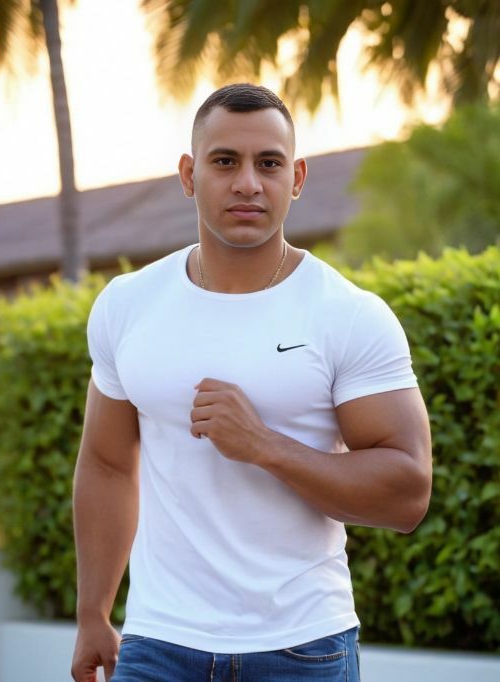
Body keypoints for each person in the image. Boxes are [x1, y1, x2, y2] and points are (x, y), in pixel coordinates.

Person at [71, 83, 432, 682]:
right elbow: (107, 464)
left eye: (268, 163)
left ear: (297, 177)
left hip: (303, 647)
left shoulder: (347, 314)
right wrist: (92, 613)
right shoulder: (127, 305)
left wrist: (263, 445)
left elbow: (407, 494)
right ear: (189, 175)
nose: (247, 183)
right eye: (224, 162)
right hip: (158, 643)